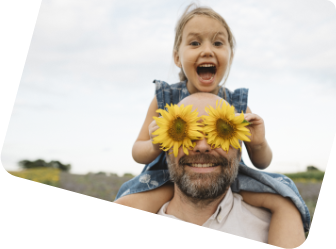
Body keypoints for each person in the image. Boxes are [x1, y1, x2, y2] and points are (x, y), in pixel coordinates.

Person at [113, 2, 310, 241]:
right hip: (166, 178)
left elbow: (263, 163)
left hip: (230, 177)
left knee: (284, 196)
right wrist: (156, 143)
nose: (207, 50)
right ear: (177, 57)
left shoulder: (236, 103)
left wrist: (258, 144)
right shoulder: (165, 99)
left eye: (217, 43)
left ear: (230, 55)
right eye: (195, 42)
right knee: (128, 200)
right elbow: (137, 151)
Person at [156, 92, 305, 246]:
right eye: (185, 133)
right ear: (167, 152)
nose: (202, 146)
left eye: (221, 132)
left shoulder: (277, 226)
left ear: (239, 153)